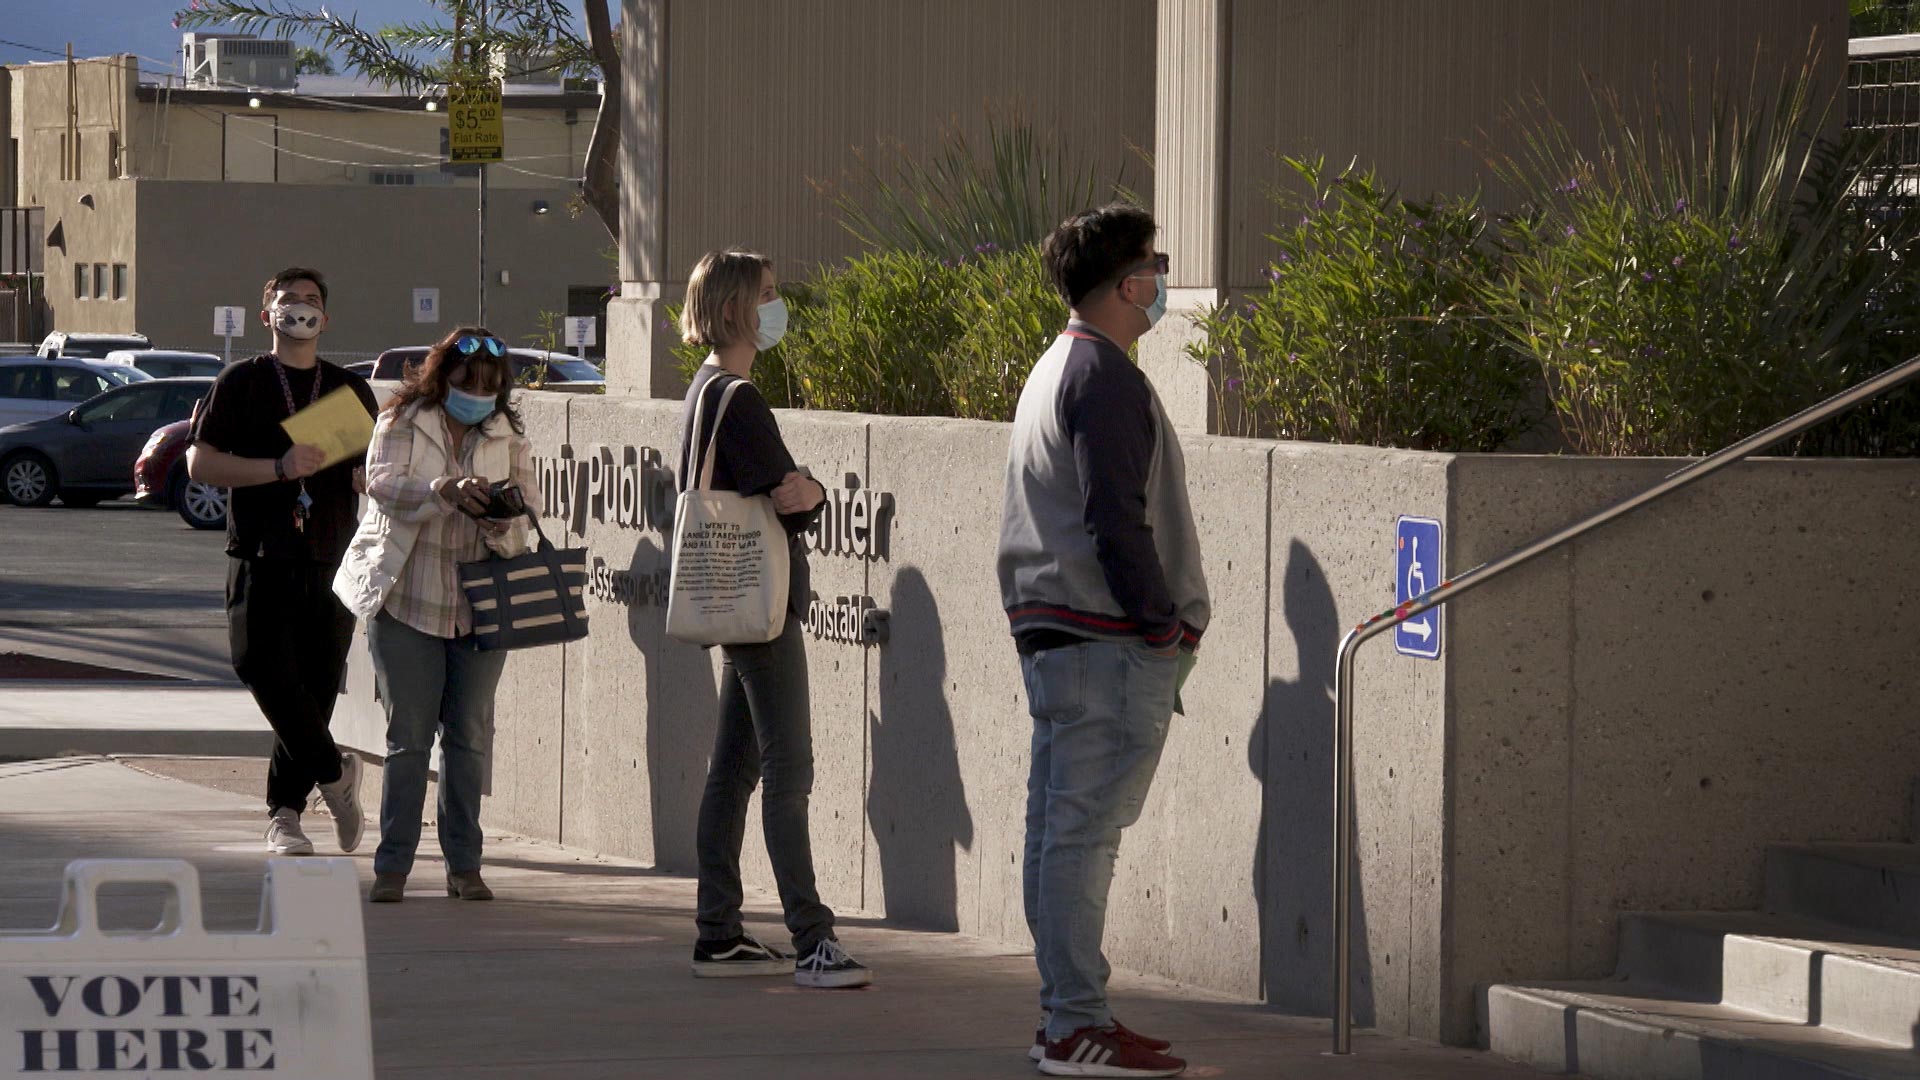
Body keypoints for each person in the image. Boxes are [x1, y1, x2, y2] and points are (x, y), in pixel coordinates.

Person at [996, 205, 1211, 1078]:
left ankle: (1067, 1018)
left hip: (1065, 641)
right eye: (1155, 266)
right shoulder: (1104, 378)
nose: (1161, 281)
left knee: (1059, 835)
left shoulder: (1057, 366)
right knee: (1081, 841)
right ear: (1129, 283)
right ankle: (1075, 1024)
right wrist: (1164, 625)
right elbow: (1114, 519)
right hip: (1105, 643)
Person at [676, 249, 871, 989]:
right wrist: (816, 490)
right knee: (791, 770)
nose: (776, 304)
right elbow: (792, 497)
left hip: (732, 601)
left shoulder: (702, 391)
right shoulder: (741, 398)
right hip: (763, 608)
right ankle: (812, 937)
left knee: (734, 769)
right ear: (733, 311)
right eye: (765, 294)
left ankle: (718, 930)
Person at [333, 327, 537, 904]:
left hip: (479, 608)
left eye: (491, 386)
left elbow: (527, 518)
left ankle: (464, 866)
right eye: (467, 381)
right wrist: (441, 488)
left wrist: (498, 517)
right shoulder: (403, 420)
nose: (478, 394)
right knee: (408, 740)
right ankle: (392, 866)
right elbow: (382, 483)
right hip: (407, 602)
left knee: (469, 738)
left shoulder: (507, 435)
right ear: (441, 375)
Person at [187, 267, 378, 857]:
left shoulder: (351, 390)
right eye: (288, 300)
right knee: (258, 666)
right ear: (267, 312)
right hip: (259, 553)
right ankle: (334, 772)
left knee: (314, 690)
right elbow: (201, 464)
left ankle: (286, 816)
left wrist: (367, 478)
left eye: (312, 301)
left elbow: (383, 468)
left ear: (328, 317)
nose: (301, 309)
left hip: (331, 558)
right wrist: (277, 468)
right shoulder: (241, 381)